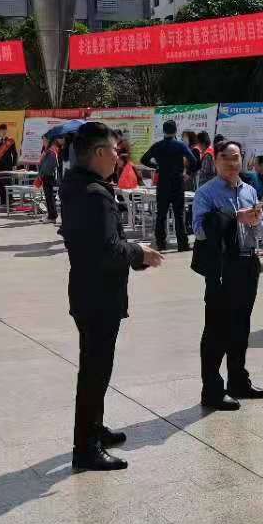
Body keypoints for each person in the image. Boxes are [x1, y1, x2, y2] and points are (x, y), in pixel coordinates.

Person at [59, 122, 163, 470]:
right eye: (116, 151)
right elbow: (107, 250)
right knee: (95, 371)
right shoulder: (93, 194)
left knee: (96, 367)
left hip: (89, 292)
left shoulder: (77, 184)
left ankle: (95, 427)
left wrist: (132, 256)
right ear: (100, 152)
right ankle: (86, 448)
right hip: (99, 296)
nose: (119, 157)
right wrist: (140, 252)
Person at [192, 140, 263, 411]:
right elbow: (199, 230)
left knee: (241, 325)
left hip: (248, 263)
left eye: (235, 157)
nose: (231, 163)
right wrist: (235, 217)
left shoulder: (249, 189)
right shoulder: (206, 193)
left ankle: (238, 380)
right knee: (217, 329)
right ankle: (212, 390)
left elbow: (258, 226)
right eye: (225, 157)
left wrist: (257, 221)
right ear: (216, 161)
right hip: (222, 267)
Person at [141, 120, 199, 251]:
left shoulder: (157, 146)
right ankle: (182, 244)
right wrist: (187, 173)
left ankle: (161, 243)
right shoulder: (180, 145)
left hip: (163, 183)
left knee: (161, 214)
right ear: (175, 131)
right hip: (177, 183)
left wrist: (156, 166)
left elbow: (144, 159)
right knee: (179, 215)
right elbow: (193, 160)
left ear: (163, 131)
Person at [37, 135, 61, 224]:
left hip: (49, 177)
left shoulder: (51, 151)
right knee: (48, 197)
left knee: (50, 197)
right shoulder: (46, 151)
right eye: (43, 140)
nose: (43, 142)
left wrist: (42, 174)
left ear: (48, 141)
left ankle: (52, 216)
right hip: (46, 176)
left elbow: (49, 166)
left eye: (44, 140)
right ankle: (51, 214)